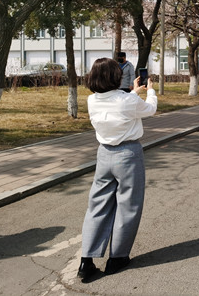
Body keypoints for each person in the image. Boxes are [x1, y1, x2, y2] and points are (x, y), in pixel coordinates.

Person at [77, 58, 157, 282]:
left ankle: (86, 260)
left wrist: (133, 92)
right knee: (128, 205)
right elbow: (150, 109)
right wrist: (149, 91)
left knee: (97, 205)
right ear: (115, 77)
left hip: (104, 154)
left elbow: (120, 104)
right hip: (128, 154)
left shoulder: (92, 100)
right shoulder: (126, 101)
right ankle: (117, 257)